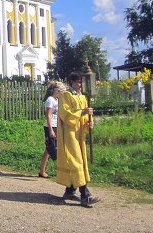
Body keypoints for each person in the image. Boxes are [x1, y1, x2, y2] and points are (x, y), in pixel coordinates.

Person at [57, 72, 101, 207]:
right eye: (78, 82)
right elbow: (65, 114)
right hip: (69, 134)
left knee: (80, 159)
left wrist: (89, 122)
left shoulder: (82, 97)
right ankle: (85, 195)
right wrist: (82, 112)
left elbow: (86, 115)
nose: (80, 85)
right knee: (77, 161)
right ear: (71, 82)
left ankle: (70, 190)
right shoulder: (66, 96)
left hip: (79, 133)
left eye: (81, 82)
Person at [38, 81, 65, 178]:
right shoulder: (50, 100)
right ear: (57, 91)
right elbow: (48, 115)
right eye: (61, 91)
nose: (62, 93)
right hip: (50, 126)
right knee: (52, 149)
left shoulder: (56, 100)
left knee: (49, 149)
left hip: (56, 126)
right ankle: (59, 171)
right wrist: (51, 130)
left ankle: (42, 170)